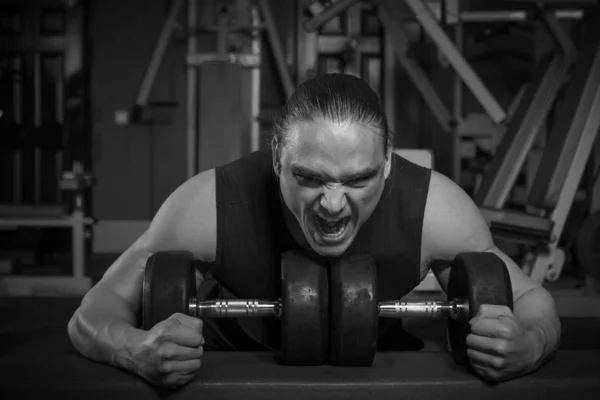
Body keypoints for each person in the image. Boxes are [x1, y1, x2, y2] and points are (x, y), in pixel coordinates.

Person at [68, 73, 560, 389]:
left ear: (387, 163)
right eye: (309, 177)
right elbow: (92, 313)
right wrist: (136, 351)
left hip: (376, 360)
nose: (331, 205)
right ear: (278, 157)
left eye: (358, 180)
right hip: (231, 360)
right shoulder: (212, 204)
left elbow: (534, 301)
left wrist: (529, 345)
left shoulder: (437, 209)